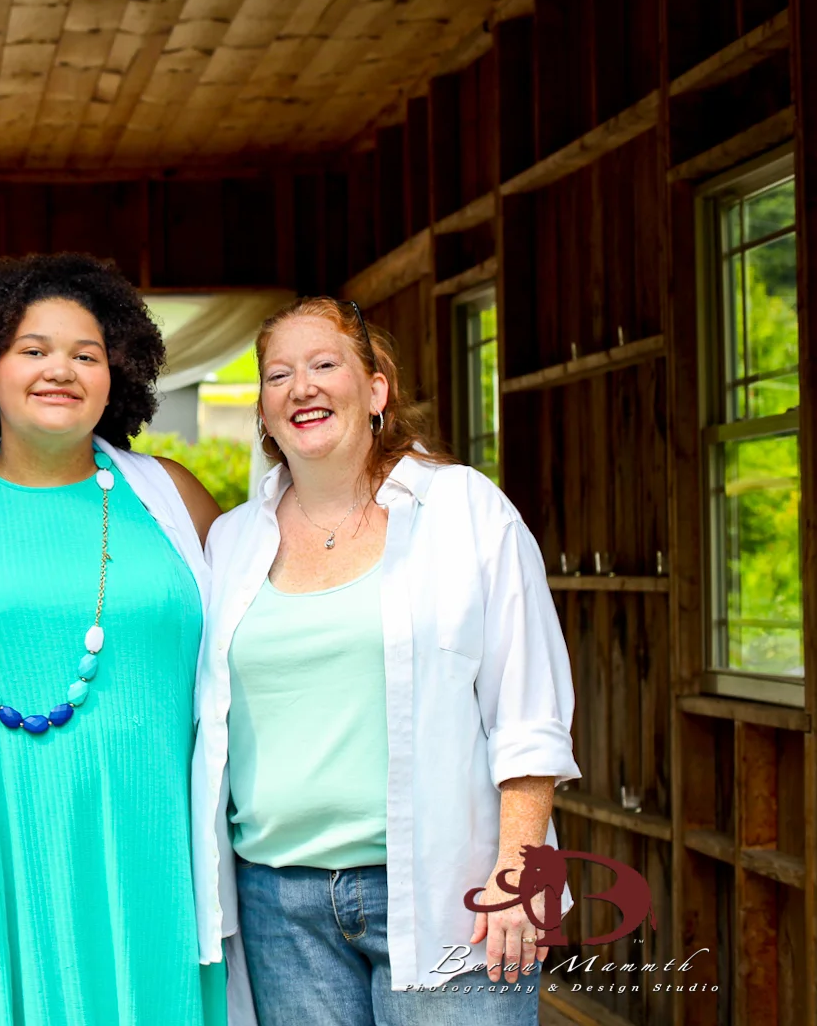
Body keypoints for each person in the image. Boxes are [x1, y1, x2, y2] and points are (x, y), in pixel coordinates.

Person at [0, 254, 255, 1026]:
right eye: (33, 349)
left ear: (118, 374)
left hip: (154, 849)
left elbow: (259, 638)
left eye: (86, 354)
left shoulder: (172, 496)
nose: (61, 370)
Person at [201, 297, 580, 1024]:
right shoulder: (231, 542)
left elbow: (527, 708)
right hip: (279, 906)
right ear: (262, 410)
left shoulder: (463, 509)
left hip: (450, 890)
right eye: (277, 374)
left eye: (323, 364)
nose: (300, 386)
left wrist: (518, 871)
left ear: (375, 389)